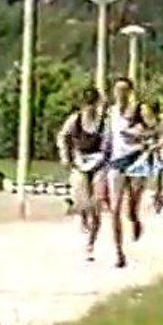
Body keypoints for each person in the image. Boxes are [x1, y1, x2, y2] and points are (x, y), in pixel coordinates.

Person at [102, 77, 156, 268]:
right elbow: (108, 137)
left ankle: (135, 221)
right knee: (114, 209)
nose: (120, 94)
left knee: (131, 208)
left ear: (130, 91)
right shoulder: (110, 112)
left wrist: (138, 134)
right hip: (116, 163)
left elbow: (155, 130)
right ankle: (118, 253)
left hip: (137, 160)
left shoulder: (141, 109)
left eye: (124, 90)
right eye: (117, 90)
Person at [55, 87, 107, 261]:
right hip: (79, 162)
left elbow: (110, 142)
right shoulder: (75, 120)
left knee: (96, 204)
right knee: (81, 201)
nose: (90, 107)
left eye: (93, 103)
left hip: (99, 164)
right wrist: (65, 156)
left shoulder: (103, 122)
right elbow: (63, 136)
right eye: (87, 104)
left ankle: (90, 244)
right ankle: (84, 216)